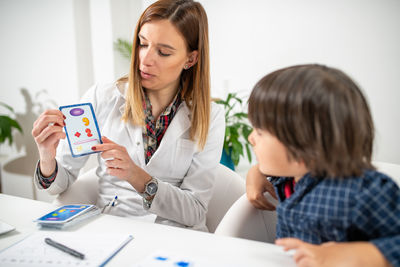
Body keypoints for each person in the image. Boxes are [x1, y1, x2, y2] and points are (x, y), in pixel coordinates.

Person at [31, 0, 225, 232]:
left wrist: (137, 176)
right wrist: (47, 157)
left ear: (190, 59)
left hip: (178, 236)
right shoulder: (102, 97)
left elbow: (195, 211)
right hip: (115, 229)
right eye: (142, 44)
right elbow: (59, 185)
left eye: (163, 52)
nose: (145, 59)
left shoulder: (210, 116)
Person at [246, 64, 400, 267]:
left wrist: (352, 255)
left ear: (303, 145)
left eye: (260, 132)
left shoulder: (365, 191)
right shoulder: (291, 176)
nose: (251, 138)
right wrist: (256, 171)